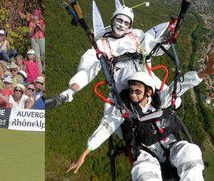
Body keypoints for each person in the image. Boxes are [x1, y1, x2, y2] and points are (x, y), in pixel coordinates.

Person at [69, 67, 209, 180]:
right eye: (131, 91)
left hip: (171, 145)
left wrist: (204, 72)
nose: (133, 95)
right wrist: (85, 153)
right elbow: (107, 126)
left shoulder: (159, 101)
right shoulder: (126, 109)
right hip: (146, 152)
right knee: (143, 174)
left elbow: (178, 87)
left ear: (148, 92)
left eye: (137, 92)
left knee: (191, 152)